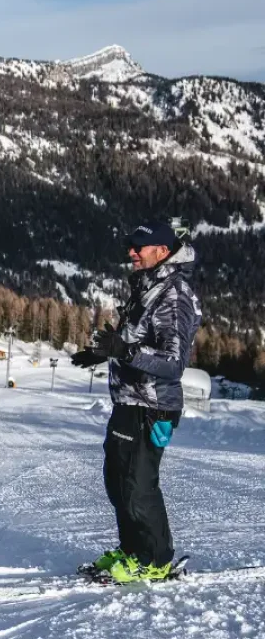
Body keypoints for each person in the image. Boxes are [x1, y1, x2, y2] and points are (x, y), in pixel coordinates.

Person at [72, 220, 201, 582]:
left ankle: (154, 559)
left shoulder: (173, 294)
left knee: (137, 485)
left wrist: (124, 351)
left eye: (139, 246)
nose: (131, 252)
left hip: (152, 404)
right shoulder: (147, 286)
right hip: (129, 400)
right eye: (130, 245)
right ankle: (132, 551)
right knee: (117, 480)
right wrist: (105, 352)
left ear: (162, 251)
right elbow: (135, 339)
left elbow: (173, 363)